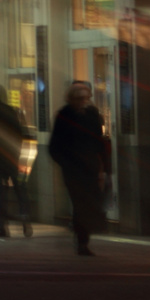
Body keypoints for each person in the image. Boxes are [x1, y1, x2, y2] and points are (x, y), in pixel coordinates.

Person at [49, 80, 109, 256]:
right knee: (79, 203)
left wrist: (104, 165)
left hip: (90, 168)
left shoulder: (92, 114)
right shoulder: (64, 115)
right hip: (73, 169)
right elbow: (54, 146)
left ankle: (83, 237)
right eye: (80, 98)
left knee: (89, 203)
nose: (83, 101)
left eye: (86, 98)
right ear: (72, 99)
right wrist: (66, 163)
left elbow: (99, 141)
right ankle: (82, 241)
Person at [0, 83, 32, 239]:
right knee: (20, 189)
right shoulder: (12, 112)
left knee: (0, 193)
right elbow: (21, 134)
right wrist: (16, 154)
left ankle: (3, 226)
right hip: (12, 158)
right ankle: (25, 219)